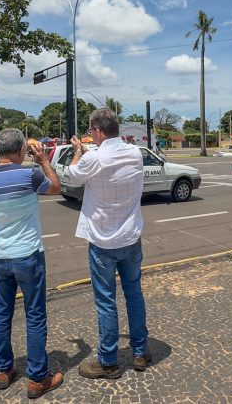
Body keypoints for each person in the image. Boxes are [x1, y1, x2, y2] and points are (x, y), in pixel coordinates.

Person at [0, 128, 64, 399]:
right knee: (35, 315)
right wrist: (45, 162)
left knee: (2, 313)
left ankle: (3, 370)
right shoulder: (30, 174)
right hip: (29, 255)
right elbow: (57, 188)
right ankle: (38, 378)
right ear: (21, 151)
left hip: (1, 256)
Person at [67, 108, 151, 379]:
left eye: (91, 131)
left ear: (99, 131)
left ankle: (108, 361)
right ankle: (140, 351)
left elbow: (73, 176)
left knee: (106, 301)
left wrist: (79, 150)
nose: (90, 136)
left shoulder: (93, 157)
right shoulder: (135, 152)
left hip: (103, 242)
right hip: (130, 237)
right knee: (134, 294)